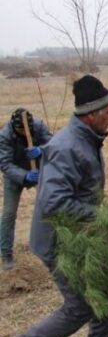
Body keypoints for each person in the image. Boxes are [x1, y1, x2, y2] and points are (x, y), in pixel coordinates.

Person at [0, 75, 108, 337]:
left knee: (107, 281)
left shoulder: (86, 137)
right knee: (79, 307)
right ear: (92, 114)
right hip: (59, 242)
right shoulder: (68, 147)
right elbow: (55, 202)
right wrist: (102, 216)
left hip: (81, 234)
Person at [0, 108, 52, 270]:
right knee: (9, 213)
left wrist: (41, 151)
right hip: (14, 176)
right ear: (14, 127)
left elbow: (54, 145)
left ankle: (52, 247)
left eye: (26, 129)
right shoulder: (5, 135)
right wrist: (25, 176)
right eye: (21, 130)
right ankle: (6, 253)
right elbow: (5, 163)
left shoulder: (38, 126)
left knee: (51, 206)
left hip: (39, 172)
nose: (24, 132)